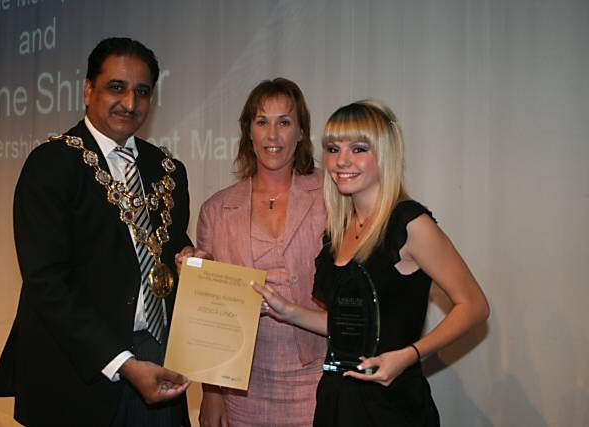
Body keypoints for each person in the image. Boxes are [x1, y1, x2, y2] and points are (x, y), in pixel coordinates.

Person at [0, 38, 194, 427]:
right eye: (117, 87)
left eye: (142, 92)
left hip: (157, 358)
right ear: (88, 91)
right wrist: (122, 363)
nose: (130, 103)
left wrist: (192, 258)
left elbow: (165, 244)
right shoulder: (51, 163)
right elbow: (46, 281)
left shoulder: (167, 168)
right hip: (76, 372)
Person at [254, 99, 490, 426]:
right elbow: (349, 327)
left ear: (385, 154)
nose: (342, 161)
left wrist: (409, 355)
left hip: (392, 406)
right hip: (338, 402)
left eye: (359, 148)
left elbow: (475, 305)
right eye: (334, 149)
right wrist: (287, 311)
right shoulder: (337, 232)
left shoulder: (410, 224)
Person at [192, 78, 327, 426]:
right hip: (243, 384)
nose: (272, 135)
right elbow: (211, 313)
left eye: (284, 122)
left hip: (320, 373)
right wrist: (212, 392)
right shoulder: (216, 210)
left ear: (300, 132)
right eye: (262, 121)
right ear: (248, 132)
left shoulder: (332, 195)